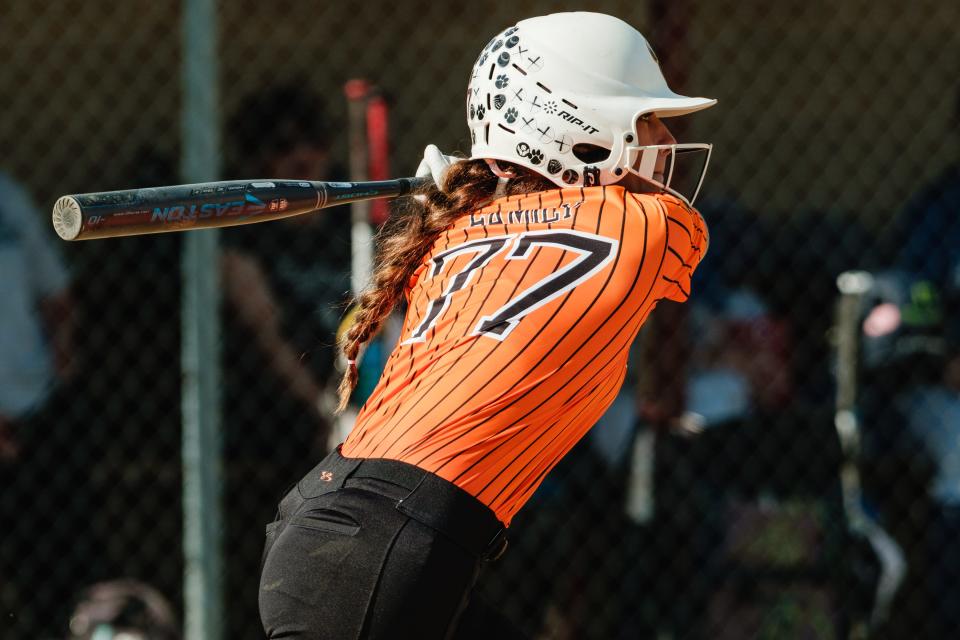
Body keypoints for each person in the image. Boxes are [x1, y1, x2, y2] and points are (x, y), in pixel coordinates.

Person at [258, 12, 716, 639]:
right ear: (577, 131)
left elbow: (535, 227)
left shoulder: (453, 231)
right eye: (644, 121)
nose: (663, 138)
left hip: (352, 527)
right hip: (385, 546)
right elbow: (668, 233)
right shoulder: (646, 223)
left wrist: (485, 194)